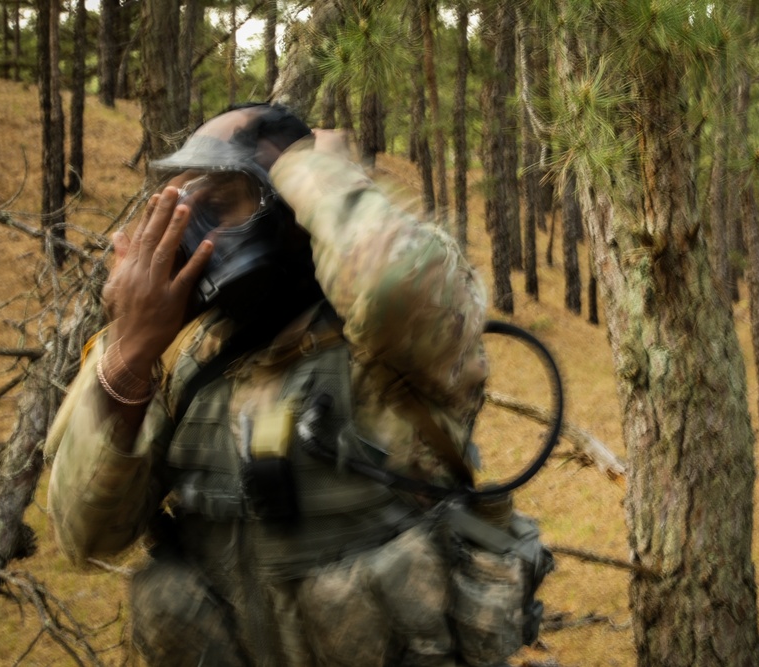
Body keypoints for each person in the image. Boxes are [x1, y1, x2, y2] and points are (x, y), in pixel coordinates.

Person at [46, 103, 550, 667]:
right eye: (190, 210)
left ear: (294, 206)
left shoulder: (396, 341)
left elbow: (388, 285)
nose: (196, 234)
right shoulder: (186, 360)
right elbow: (82, 533)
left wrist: (314, 170)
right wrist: (129, 350)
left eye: (221, 204)